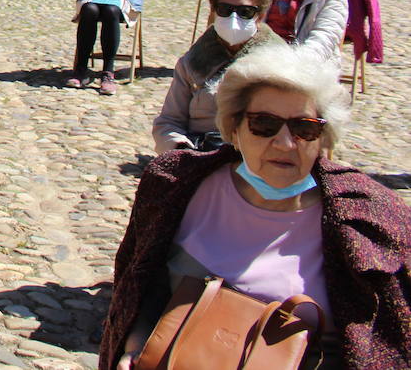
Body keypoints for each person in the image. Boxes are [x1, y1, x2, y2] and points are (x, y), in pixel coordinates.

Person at [100, 43, 411, 370]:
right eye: (264, 124)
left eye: (304, 129)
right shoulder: (176, 186)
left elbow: (380, 342)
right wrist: (134, 347)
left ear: (323, 137)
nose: (284, 143)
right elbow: (148, 285)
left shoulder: (366, 220)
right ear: (234, 128)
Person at [152, 0, 282, 154]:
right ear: (214, 11)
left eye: (245, 12)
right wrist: (181, 149)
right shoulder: (192, 62)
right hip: (199, 152)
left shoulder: (280, 64)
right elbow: (169, 121)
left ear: (259, 16)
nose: (233, 18)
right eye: (225, 10)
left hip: (256, 158)